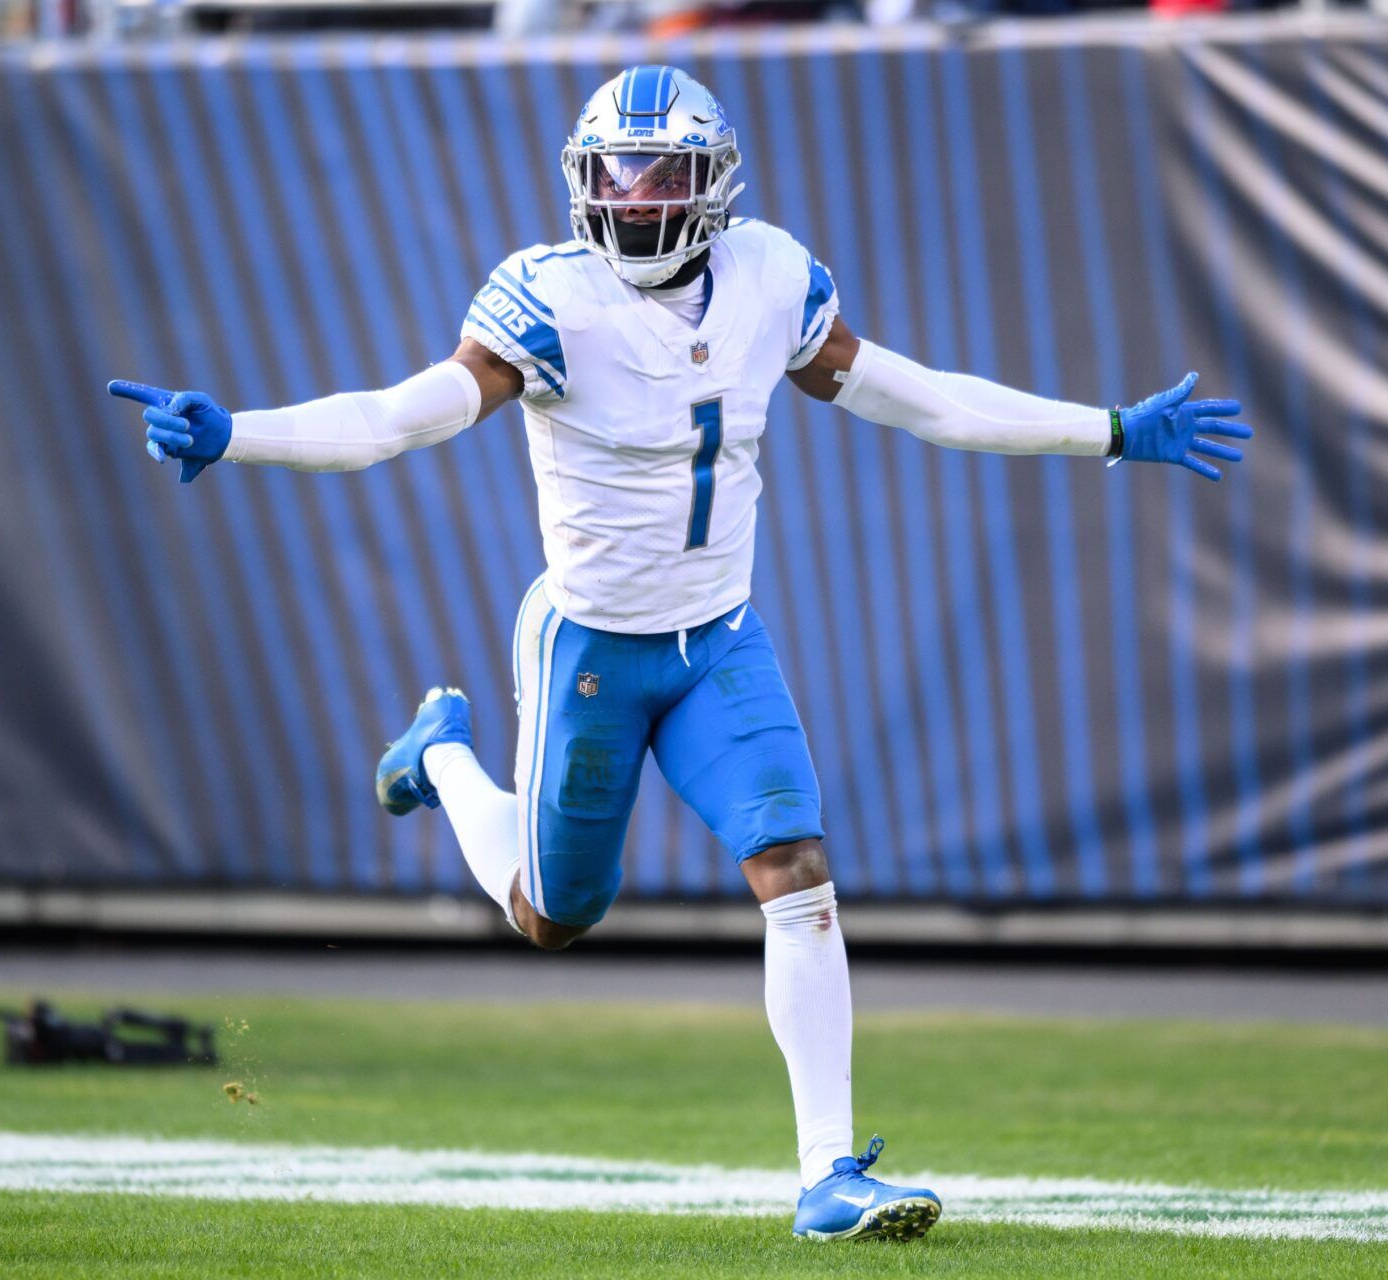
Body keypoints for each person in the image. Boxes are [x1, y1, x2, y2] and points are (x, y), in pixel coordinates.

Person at [108, 64, 1251, 1241]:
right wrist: (240, 433)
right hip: (593, 643)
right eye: (614, 173)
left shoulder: (768, 275)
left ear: (713, 186)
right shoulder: (549, 301)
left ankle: (825, 1176)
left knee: (796, 864)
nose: (634, 198)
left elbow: (920, 397)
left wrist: (1106, 431)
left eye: (660, 175)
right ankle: (445, 753)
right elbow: (405, 415)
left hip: (718, 642)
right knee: (552, 914)